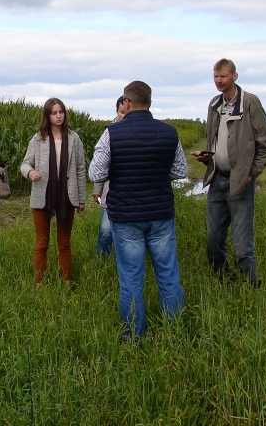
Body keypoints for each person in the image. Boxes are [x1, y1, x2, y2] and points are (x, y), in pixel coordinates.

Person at [88, 81, 188, 338]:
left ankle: (133, 335)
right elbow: (180, 172)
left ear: (127, 103)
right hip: (161, 214)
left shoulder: (112, 133)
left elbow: (96, 172)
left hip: (126, 217)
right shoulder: (170, 132)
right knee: (167, 274)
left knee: (131, 278)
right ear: (150, 103)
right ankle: (174, 331)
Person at [191, 58, 266, 286]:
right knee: (213, 239)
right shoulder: (214, 104)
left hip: (240, 183)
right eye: (216, 77)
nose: (219, 81)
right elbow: (218, 141)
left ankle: (251, 285)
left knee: (241, 241)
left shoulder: (250, 102)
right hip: (217, 179)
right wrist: (208, 157)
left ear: (234, 77)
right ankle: (223, 282)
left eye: (224, 76)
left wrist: (251, 174)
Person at [20, 98, 86, 287]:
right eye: (54, 113)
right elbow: (25, 163)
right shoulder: (38, 138)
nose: (58, 116)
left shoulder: (74, 139)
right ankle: (39, 283)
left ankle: (66, 283)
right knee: (42, 242)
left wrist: (81, 199)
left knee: (64, 243)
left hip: (67, 195)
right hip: (43, 194)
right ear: (47, 116)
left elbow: (80, 169)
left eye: (61, 112)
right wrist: (30, 172)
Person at [92, 96, 125, 257]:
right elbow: (101, 166)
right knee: (106, 229)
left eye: (127, 112)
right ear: (117, 111)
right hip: (111, 190)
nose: (124, 115)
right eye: (121, 112)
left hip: (132, 192)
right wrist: (97, 189)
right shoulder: (109, 133)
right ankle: (103, 260)